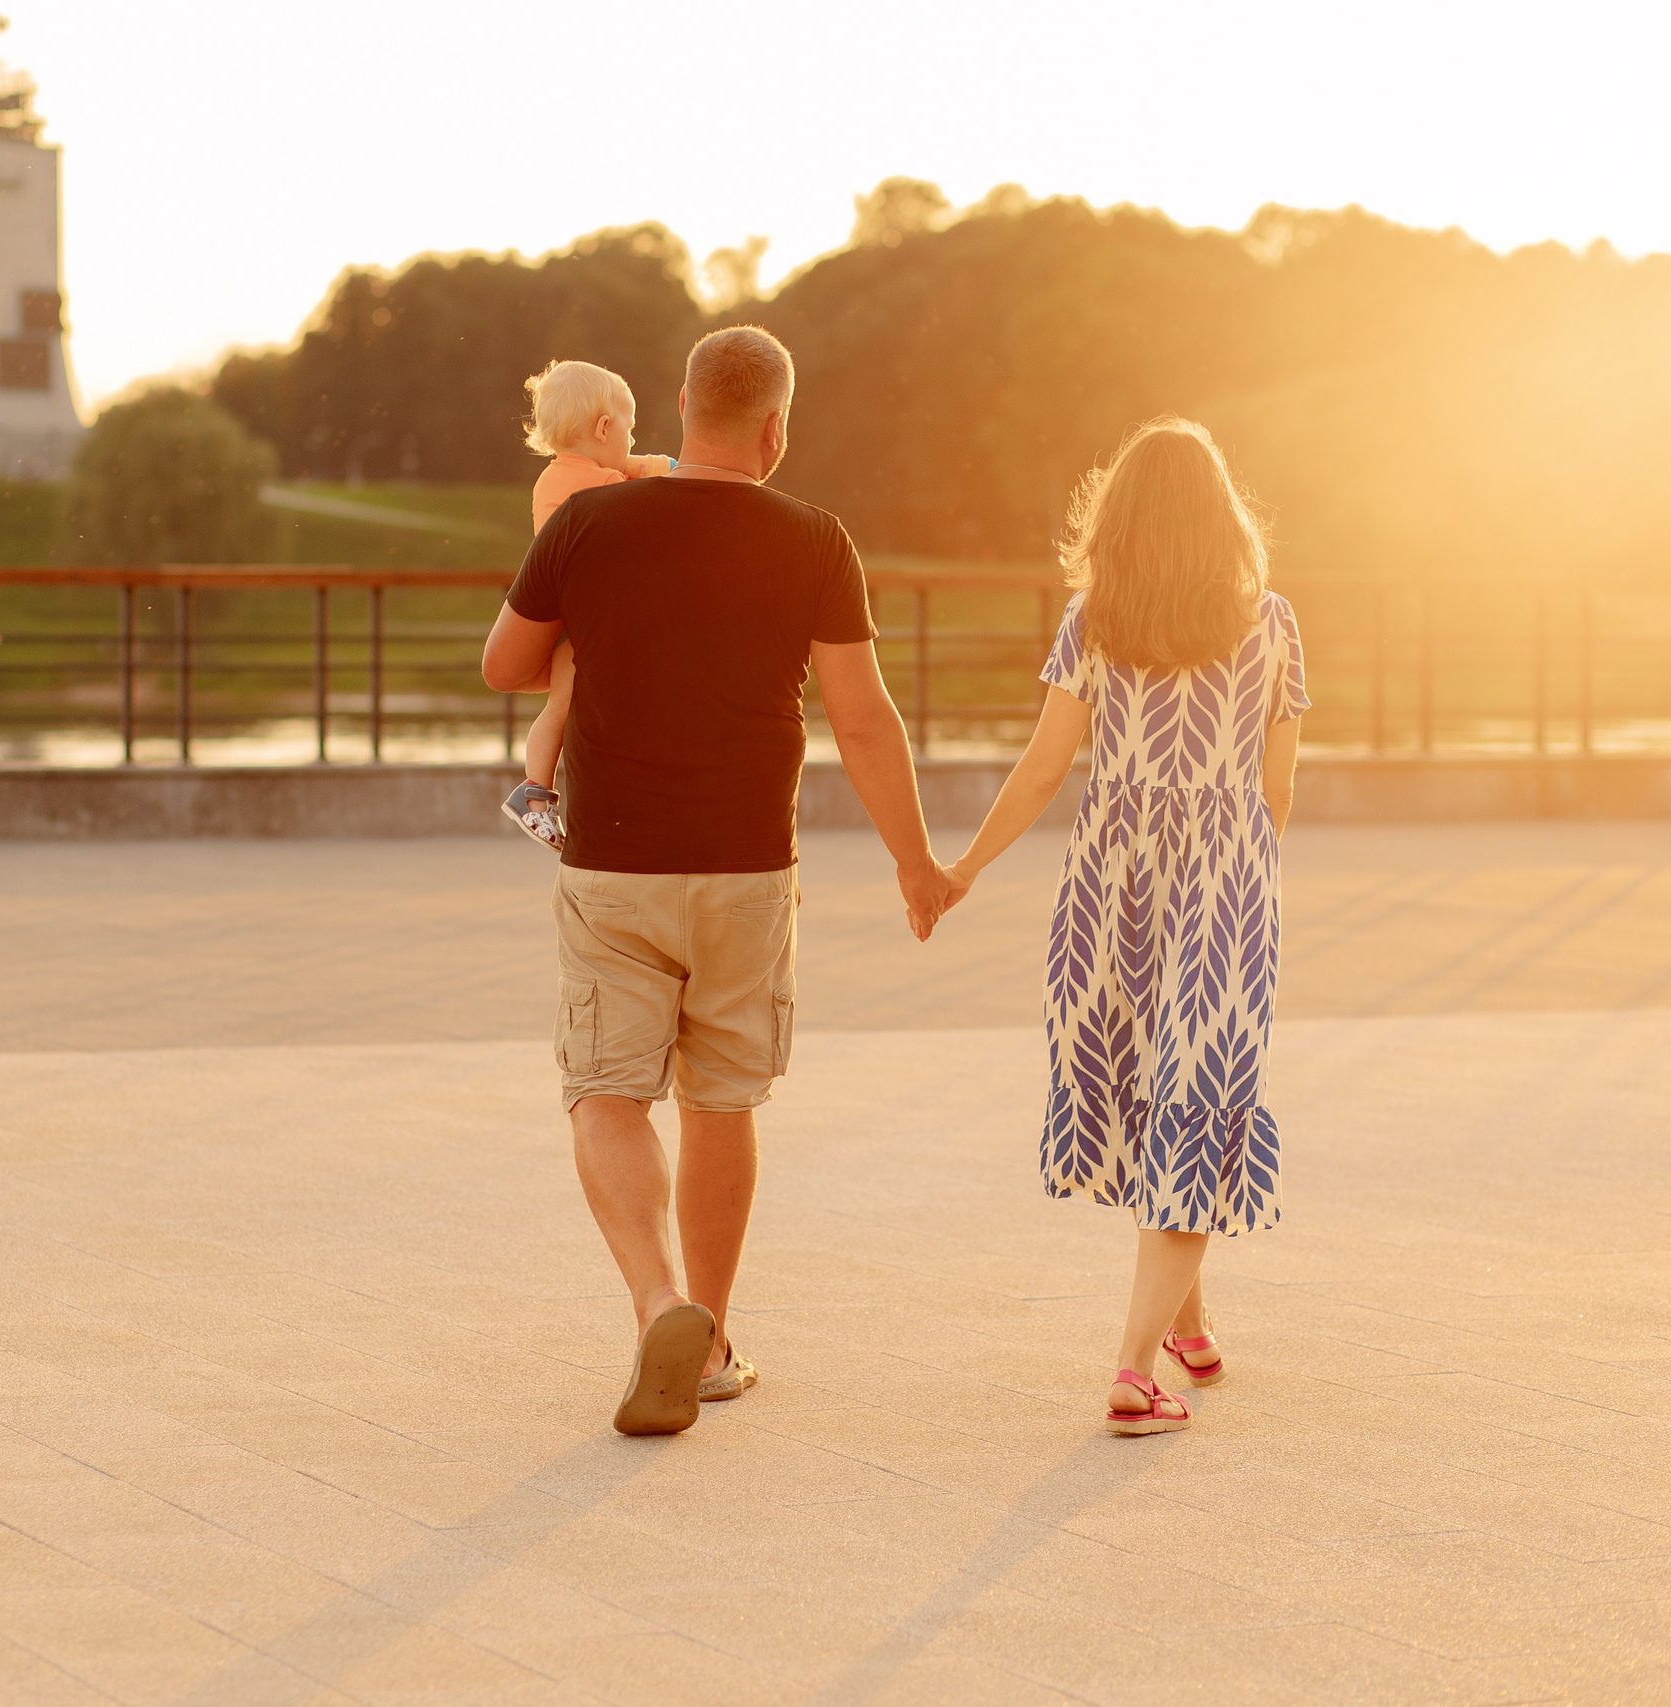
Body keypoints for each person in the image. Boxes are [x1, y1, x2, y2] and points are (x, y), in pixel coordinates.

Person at [482, 326, 956, 1436]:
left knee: (606, 1094)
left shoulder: (589, 519)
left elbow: (505, 665)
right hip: (747, 867)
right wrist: (916, 863)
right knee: (722, 1102)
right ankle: (713, 1340)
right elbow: (862, 720)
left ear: (682, 408)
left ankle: (661, 1303)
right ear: (775, 428)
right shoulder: (815, 538)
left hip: (612, 864)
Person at [941, 418, 1309, 1438]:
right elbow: (1277, 788)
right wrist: (1241, 873)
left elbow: (1045, 768)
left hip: (1109, 887)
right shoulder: (1271, 622)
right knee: (1197, 1100)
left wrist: (960, 868)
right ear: (1221, 515)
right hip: (1223, 884)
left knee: (1152, 1096)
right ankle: (1133, 1370)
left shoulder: (1091, 620)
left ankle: (1187, 1330)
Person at [501, 360, 674, 852]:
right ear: (603, 427)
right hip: (584, 624)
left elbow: (630, 474)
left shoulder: (557, 478)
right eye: (630, 431)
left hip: (571, 615)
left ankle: (539, 791)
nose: (633, 445)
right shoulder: (598, 489)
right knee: (568, 706)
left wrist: (643, 465)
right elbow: (659, 494)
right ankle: (535, 798)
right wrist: (670, 469)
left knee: (565, 706)